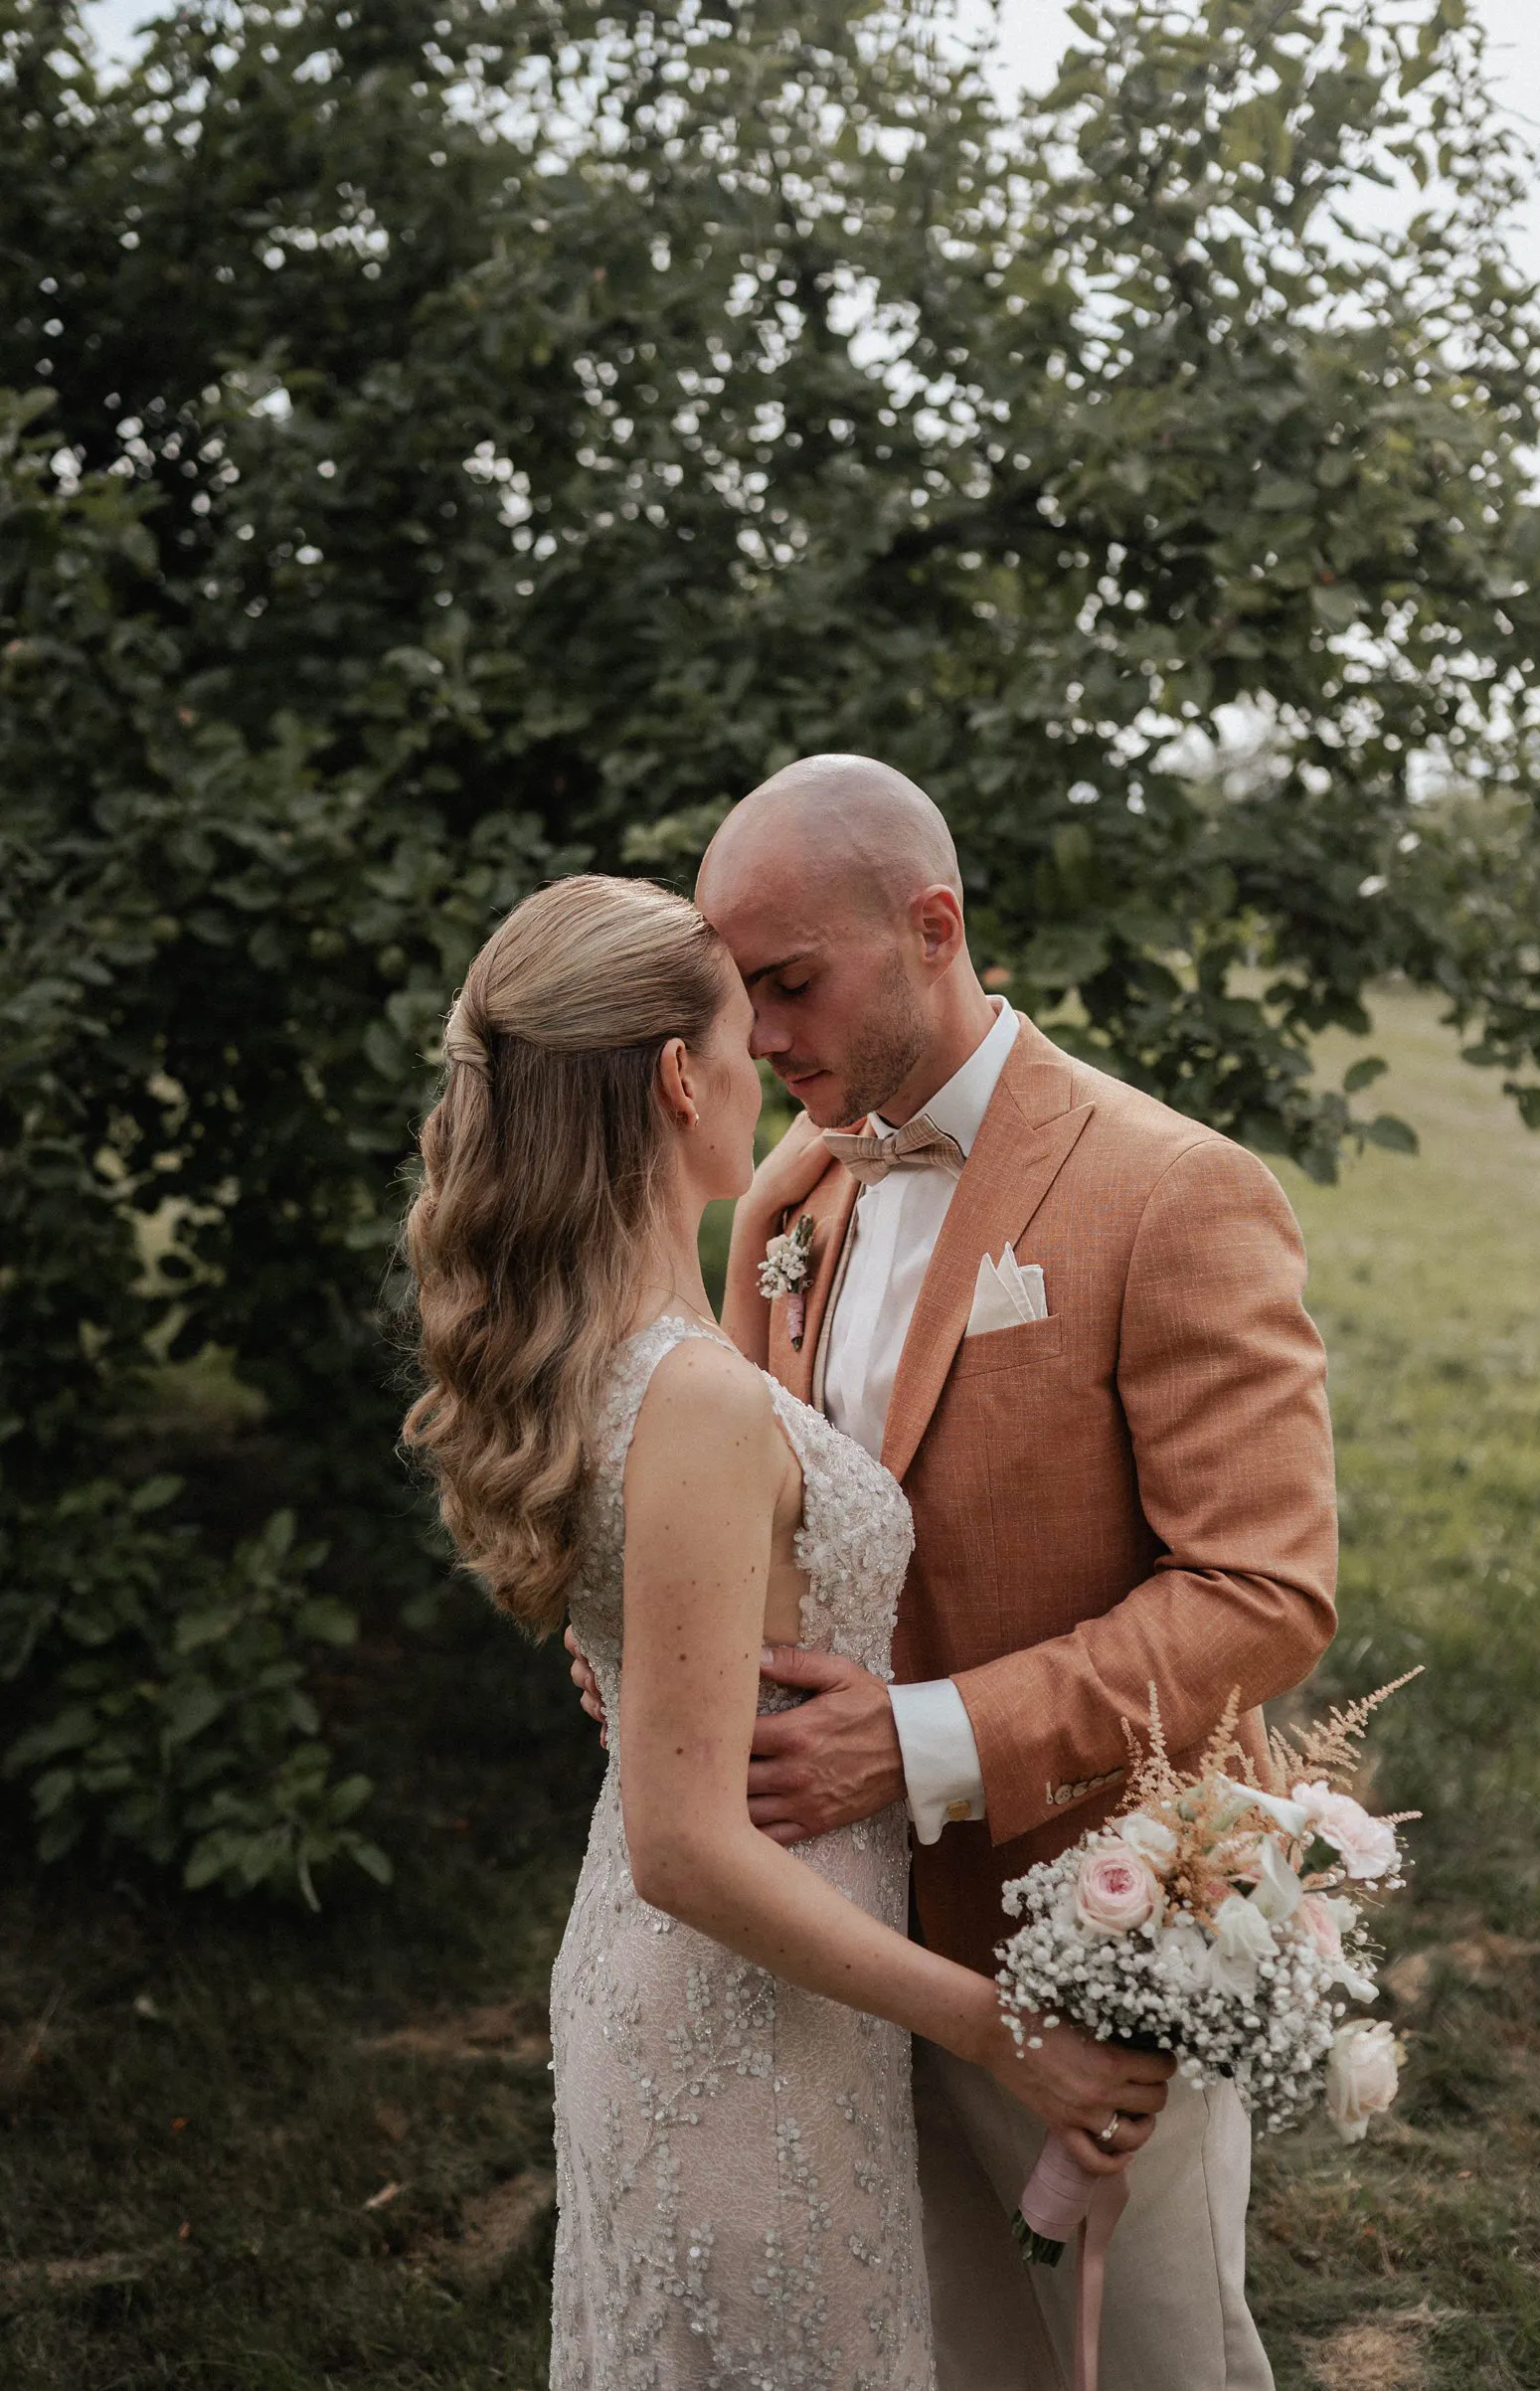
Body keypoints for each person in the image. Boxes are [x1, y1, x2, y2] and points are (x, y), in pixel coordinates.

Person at [572, 758, 1339, 2390]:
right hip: (825, 1949)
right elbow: (750, 1514)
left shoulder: (1175, 1192)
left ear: (934, 927)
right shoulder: (786, 1189)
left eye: (791, 982)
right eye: (741, 995)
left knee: (1142, 2360)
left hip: (1086, 1930)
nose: (760, 1040)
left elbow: (1263, 1592)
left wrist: (917, 1742)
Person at [403, 871, 1169, 2391]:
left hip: (751, 1989)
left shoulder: (619, 1341)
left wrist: (635, 1654)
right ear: (683, 1077)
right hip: (738, 2015)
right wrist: (1004, 2028)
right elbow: (682, 1850)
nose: (771, 1052)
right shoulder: (683, 1390)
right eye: (739, 1024)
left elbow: (680, 1610)